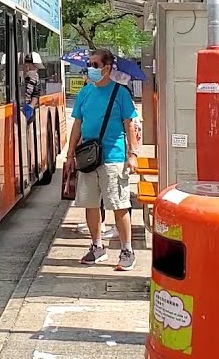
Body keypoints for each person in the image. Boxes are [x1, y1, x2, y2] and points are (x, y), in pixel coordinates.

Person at [69, 48, 139, 271]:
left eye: (95, 65)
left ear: (107, 68)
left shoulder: (120, 93)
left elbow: (130, 125)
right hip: (88, 159)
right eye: (89, 64)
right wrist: (70, 154)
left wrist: (133, 155)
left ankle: (127, 250)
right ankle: (97, 247)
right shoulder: (84, 93)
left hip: (114, 158)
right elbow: (77, 125)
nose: (90, 68)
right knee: (90, 204)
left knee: (119, 205)